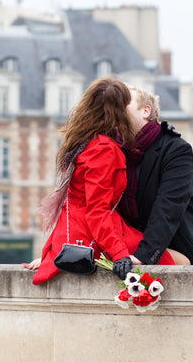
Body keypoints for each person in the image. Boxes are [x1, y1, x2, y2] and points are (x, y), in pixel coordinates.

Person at [23, 78, 177, 284]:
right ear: (119, 112)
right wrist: (119, 254)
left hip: (77, 232)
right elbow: (96, 210)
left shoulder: (82, 141)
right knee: (175, 261)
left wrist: (51, 250)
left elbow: (71, 202)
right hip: (91, 235)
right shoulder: (103, 149)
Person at [121, 85, 193, 268]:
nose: (117, 109)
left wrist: (144, 255)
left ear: (145, 111)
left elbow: (168, 207)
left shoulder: (176, 149)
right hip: (130, 256)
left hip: (180, 256)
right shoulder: (115, 151)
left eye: (124, 103)